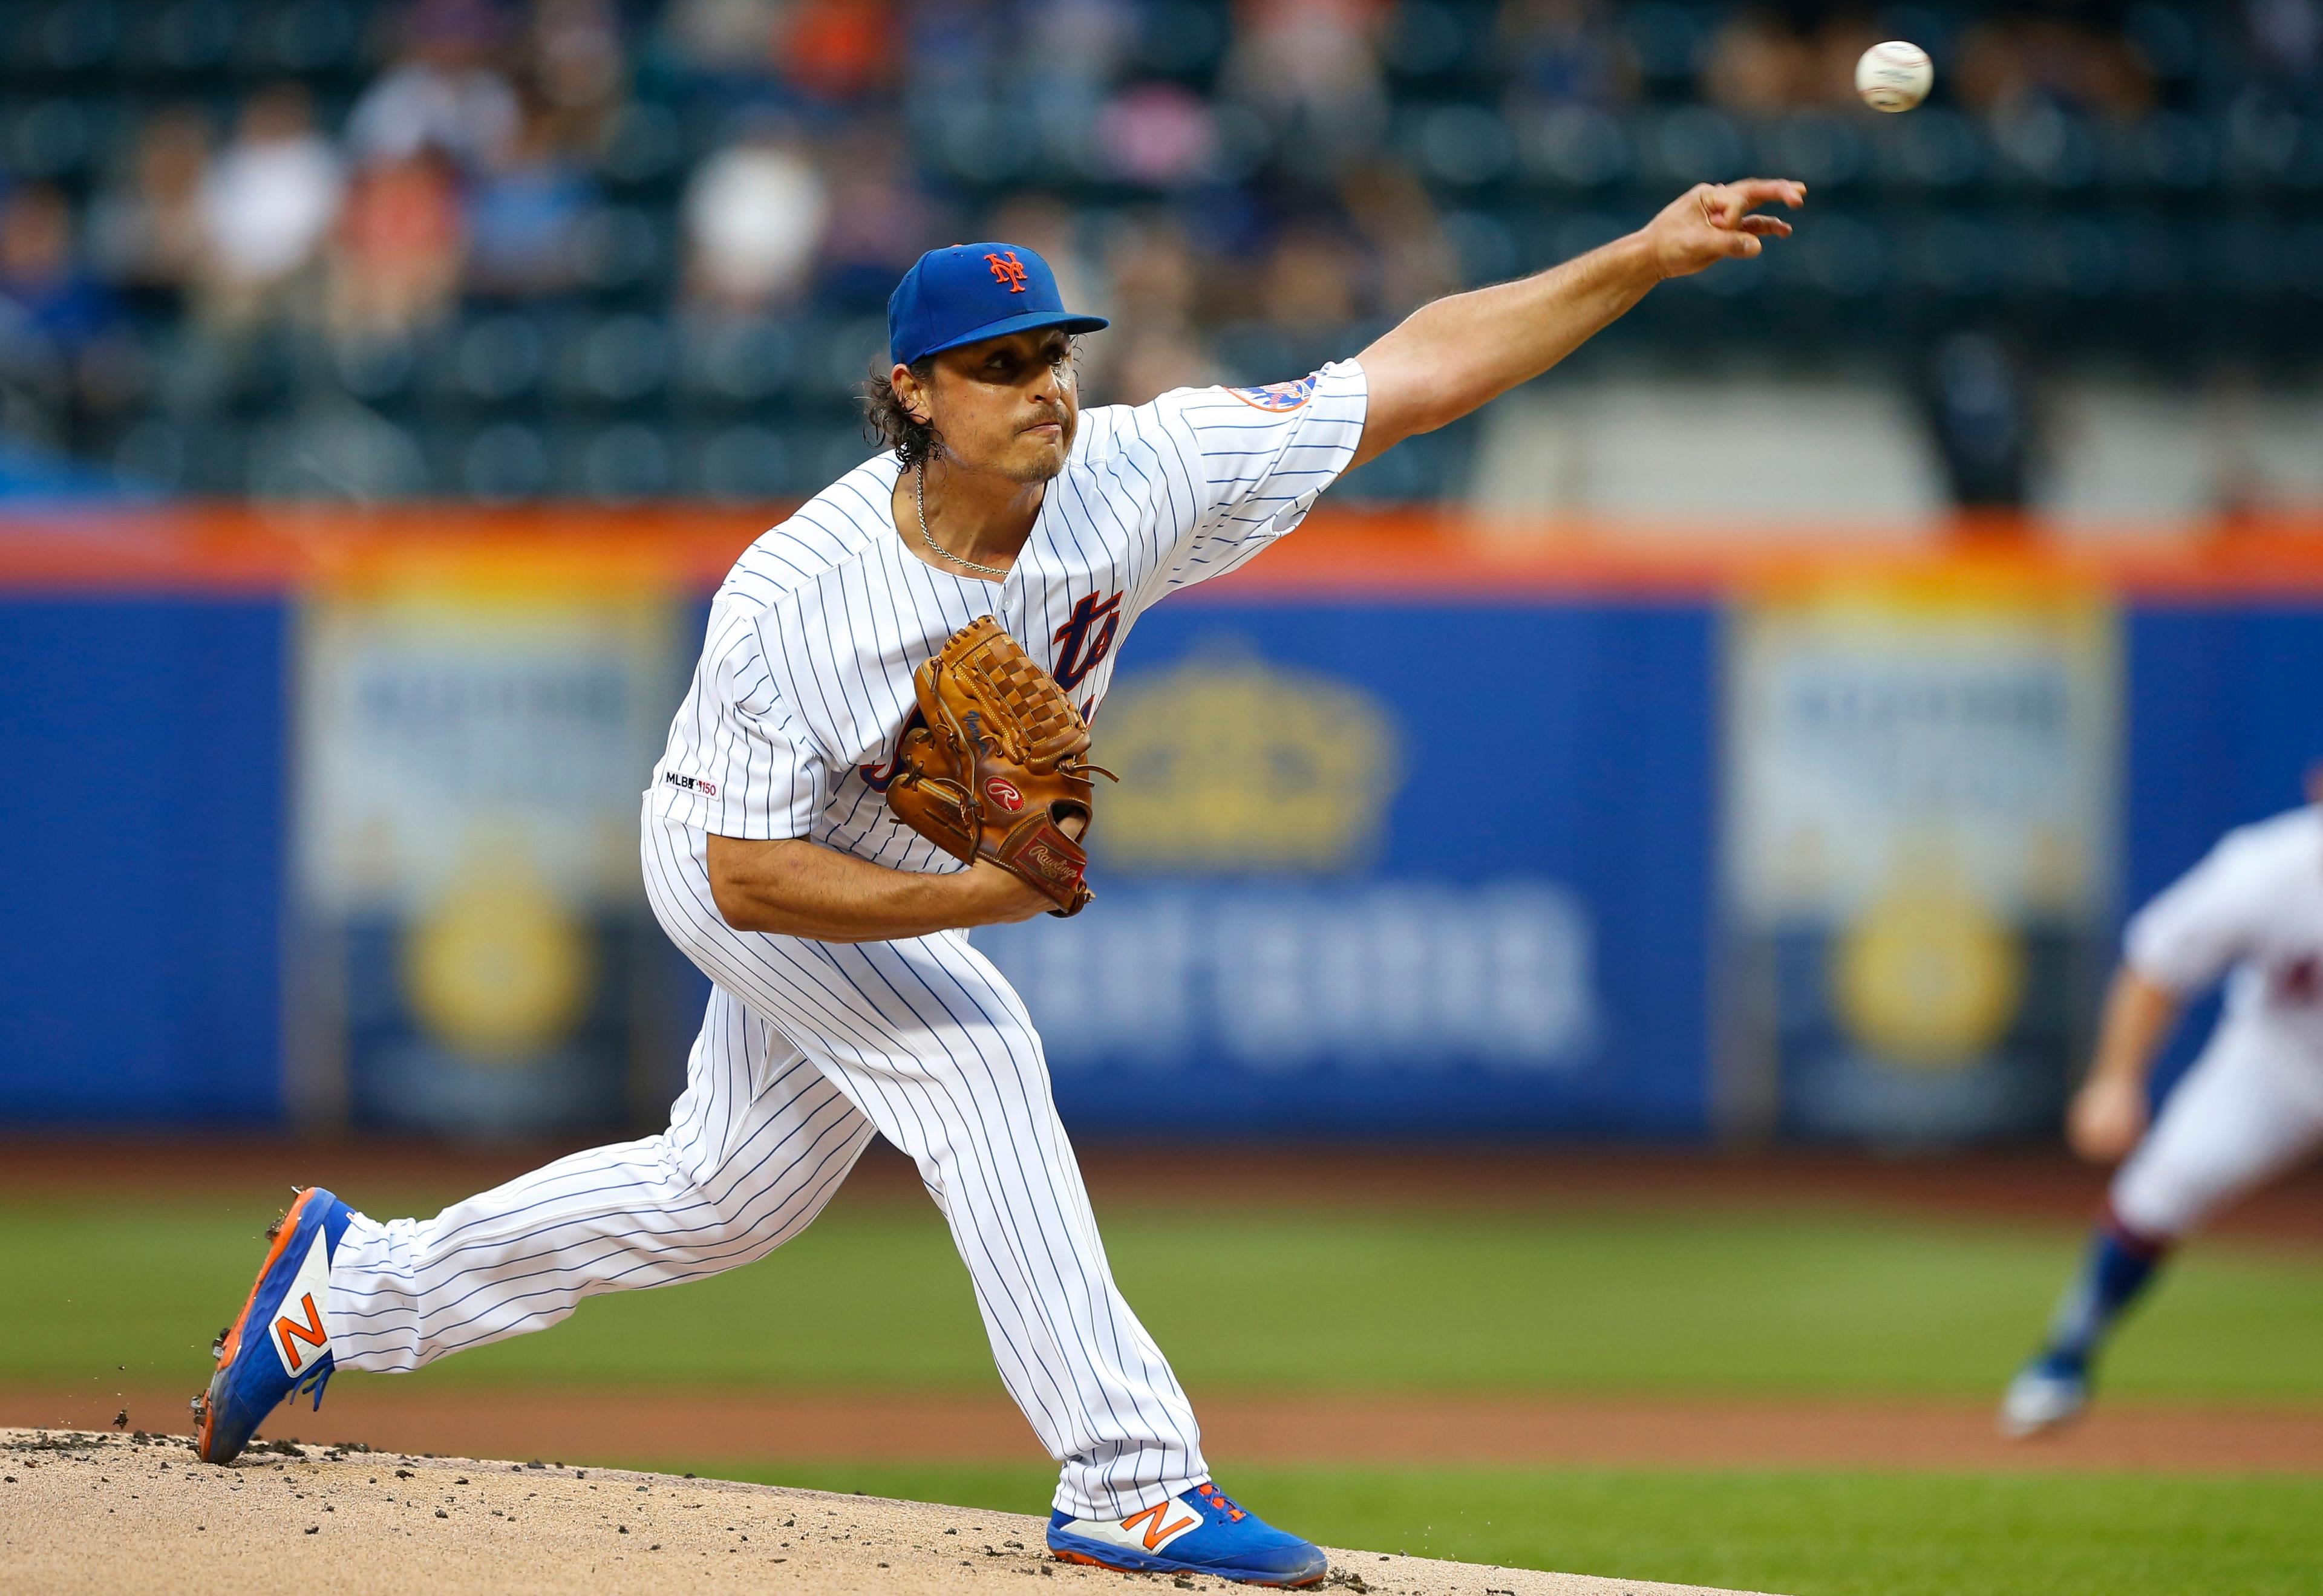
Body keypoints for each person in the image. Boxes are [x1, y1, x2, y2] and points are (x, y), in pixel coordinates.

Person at [193, 174, 1807, 1585]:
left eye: (1055, 354)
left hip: (887, 864)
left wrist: (1638, 258)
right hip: (739, 857)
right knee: (978, 1058)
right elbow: (751, 880)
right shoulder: (803, 598)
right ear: (910, 392)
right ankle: (1131, 1483)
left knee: (724, 1196)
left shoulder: (1135, 473)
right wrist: (984, 902)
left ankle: (352, 1288)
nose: (1047, 388)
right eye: (1002, 366)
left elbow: (1412, 379)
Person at [2002, 764, 2323, 1436]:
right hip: (2280, 1066)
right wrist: (2115, 1078)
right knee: (2168, 1182)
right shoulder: (2273, 867)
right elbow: (2157, 961)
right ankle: (2065, 1354)